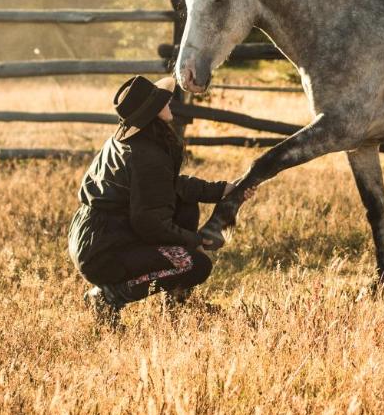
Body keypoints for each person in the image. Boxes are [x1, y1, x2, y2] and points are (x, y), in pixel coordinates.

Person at [68, 75, 249, 326]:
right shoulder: (147, 156)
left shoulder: (133, 142)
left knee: (185, 204)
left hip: (98, 237)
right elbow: (149, 222)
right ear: (152, 113)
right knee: (195, 264)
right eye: (162, 102)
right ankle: (108, 297)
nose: (169, 103)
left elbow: (170, 185)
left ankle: (176, 298)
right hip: (105, 249)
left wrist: (222, 190)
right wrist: (195, 241)